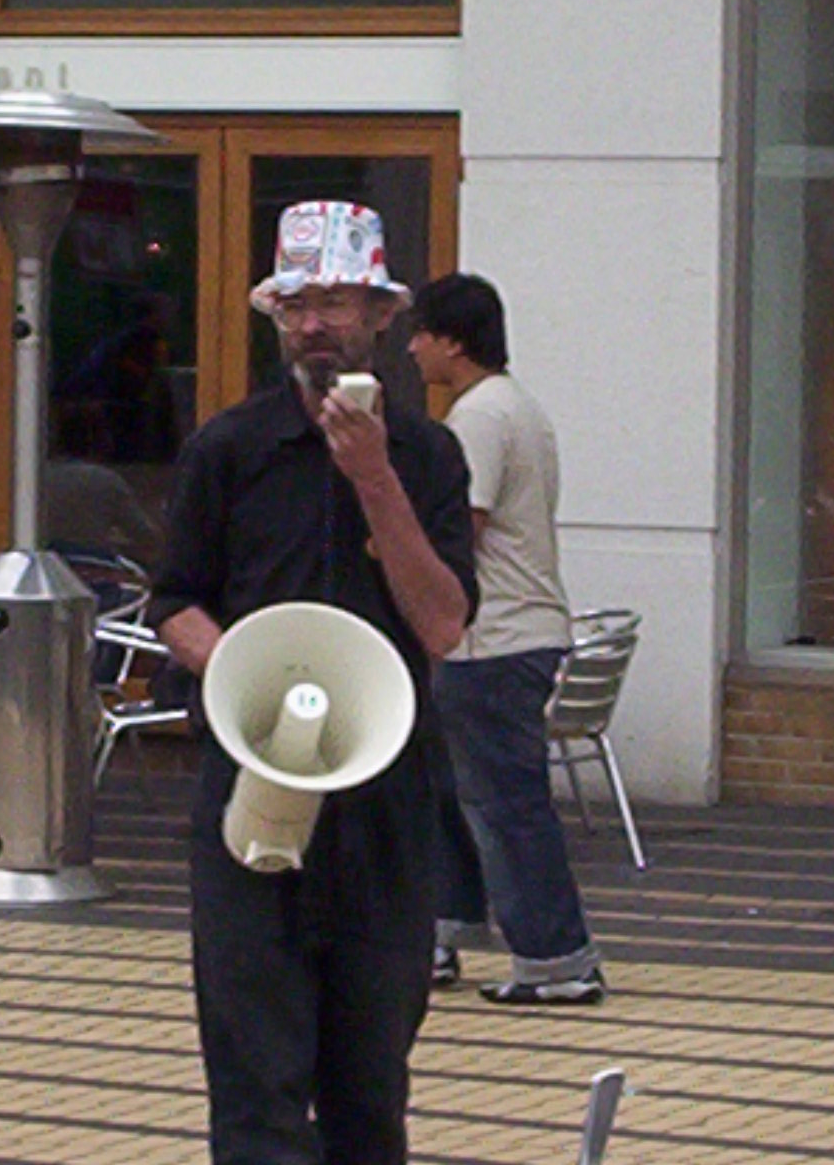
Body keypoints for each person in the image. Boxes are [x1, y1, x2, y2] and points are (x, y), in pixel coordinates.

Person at [149, 201, 477, 1165]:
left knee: (371, 1089)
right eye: (296, 305)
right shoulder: (229, 449)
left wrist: (374, 478)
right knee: (254, 1082)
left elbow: (444, 624)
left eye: (335, 301)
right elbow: (175, 603)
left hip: (385, 805)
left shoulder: (428, 456)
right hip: (254, 794)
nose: (314, 325)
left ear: (380, 315)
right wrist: (238, 675)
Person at [409, 272, 605, 1005]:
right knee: (452, 792)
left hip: (495, 638)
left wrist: (387, 545)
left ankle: (557, 958)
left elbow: (464, 526)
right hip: (499, 636)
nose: (412, 347)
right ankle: (441, 926)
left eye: (422, 332)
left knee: (503, 803)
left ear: (454, 341)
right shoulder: (512, 406)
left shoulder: (481, 418)